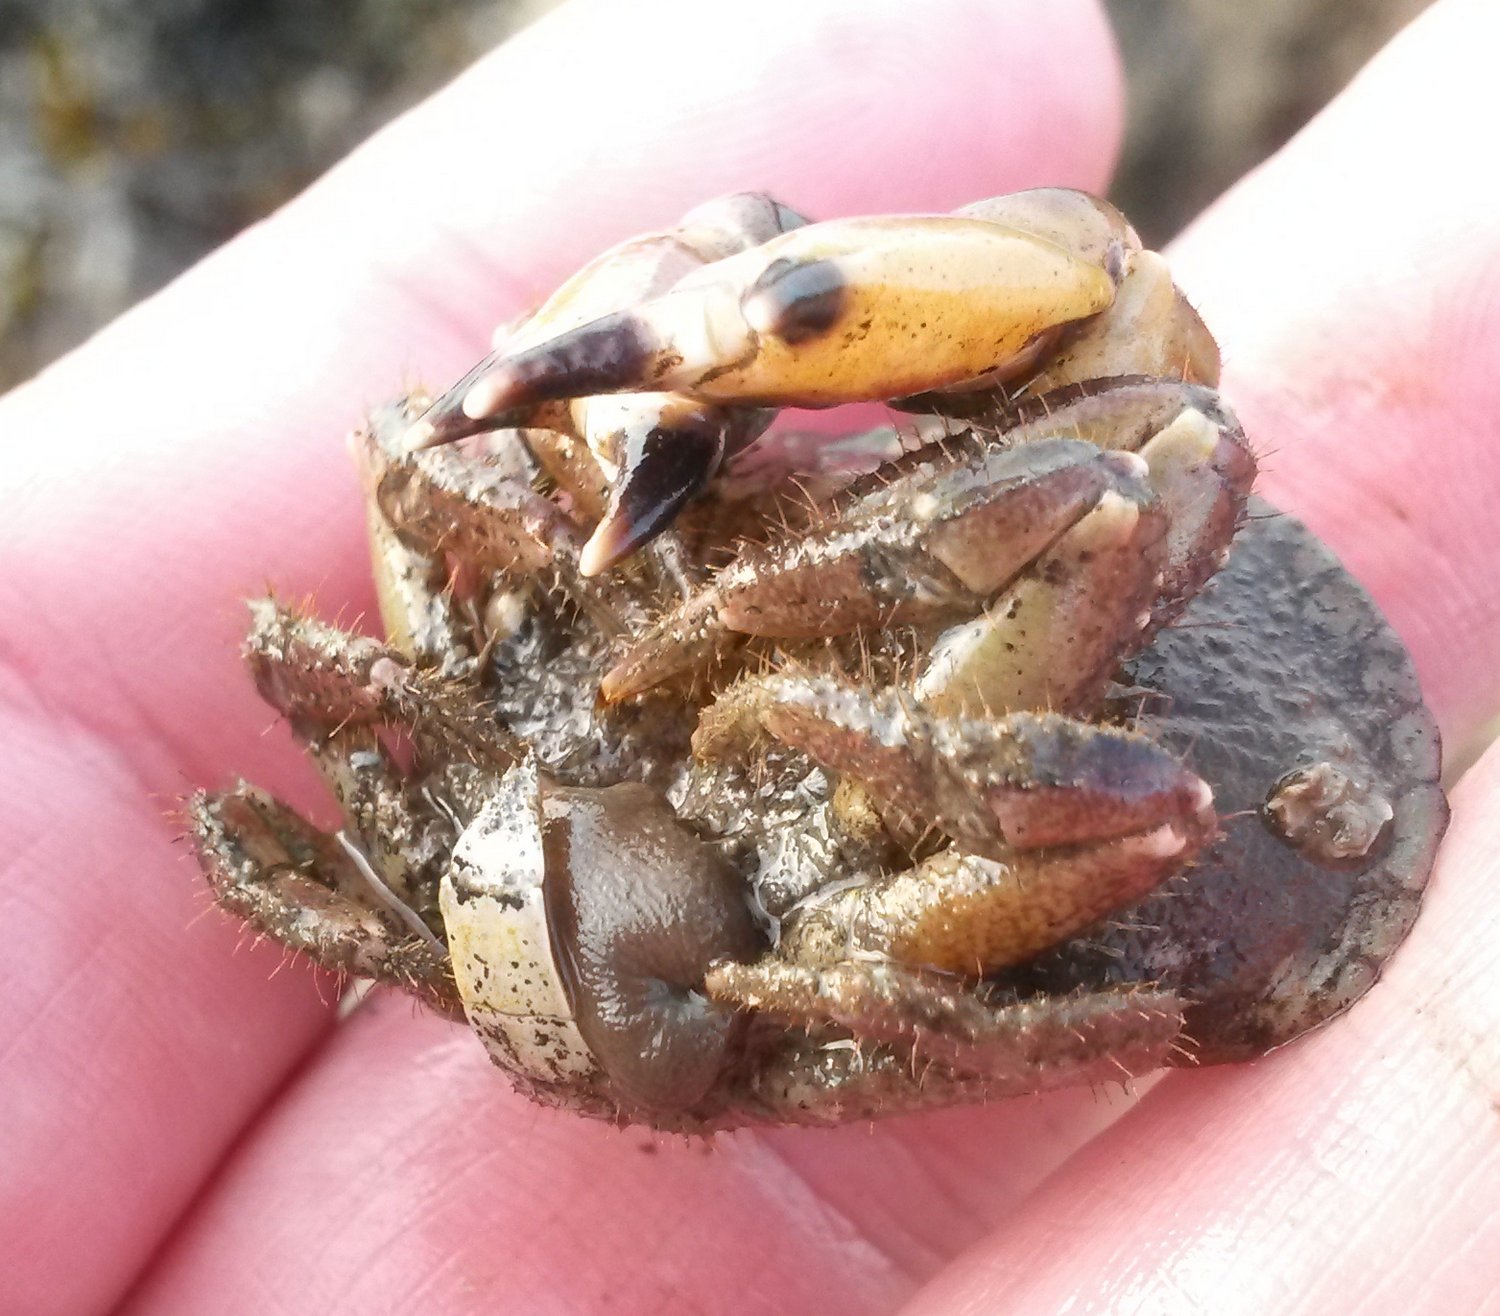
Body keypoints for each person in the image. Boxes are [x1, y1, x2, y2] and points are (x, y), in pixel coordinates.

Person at [2, 1, 1497, 1311]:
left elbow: (399, 490)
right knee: (1089, 491)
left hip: (959, 818)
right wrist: (748, 641)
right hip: (875, 870)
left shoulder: (605, 664)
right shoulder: (769, 709)